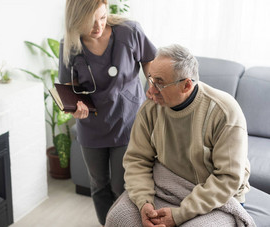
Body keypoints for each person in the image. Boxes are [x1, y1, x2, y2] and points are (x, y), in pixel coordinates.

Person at [105, 44, 254, 227]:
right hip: (167, 186)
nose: (150, 91)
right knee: (118, 218)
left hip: (217, 198)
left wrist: (179, 215)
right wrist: (144, 203)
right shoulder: (151, 108)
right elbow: (137, 160)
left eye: (159, 83)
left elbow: (228, 179)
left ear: (186, 85)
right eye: (150, 79)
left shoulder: (224, 112)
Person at [58, 0, 157, 226]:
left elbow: (149, 60)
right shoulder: (70, 44)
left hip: (128, 120)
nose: (98, 27)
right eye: (90, 22)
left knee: (121, 186)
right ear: (75, 20)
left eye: (102, 18)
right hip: (92, 126)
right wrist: (76, 109)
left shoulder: (129, 32)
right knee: (99, 185)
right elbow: (69, 88)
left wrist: (153, 84)